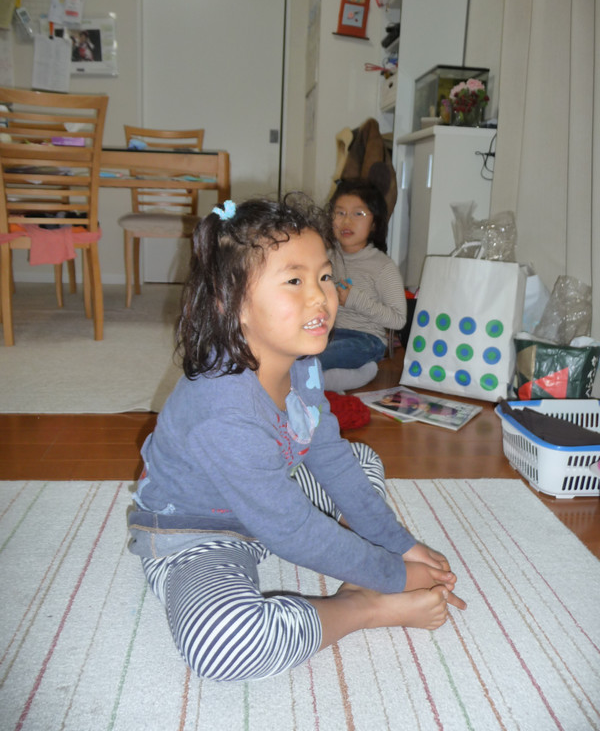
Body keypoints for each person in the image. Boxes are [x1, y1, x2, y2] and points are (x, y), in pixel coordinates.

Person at [127, 195, 466, 683]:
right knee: (223, 644)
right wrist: (391, 576)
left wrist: (399, 544)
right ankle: (361, 606)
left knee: (360, 459)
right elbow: (291, 531)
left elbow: (329, 455)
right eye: (294, 281)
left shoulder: (303, 364)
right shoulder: (221, 411)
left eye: (325, 277)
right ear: (231, 303)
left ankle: (359, 559)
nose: (319, 297)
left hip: (271, 495)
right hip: (197, 530)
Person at [318, 178, 407, 391]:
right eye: (340, 213)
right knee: (299, 351)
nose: (346, 221)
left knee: (316, 357)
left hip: (366, 339)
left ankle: (313, 378)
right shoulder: (324, 257)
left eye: (358, 214)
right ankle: (343, 376)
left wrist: (355, 300)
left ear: (374, 223)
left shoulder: (382, 266)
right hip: (329, 333)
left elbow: (398, 320)